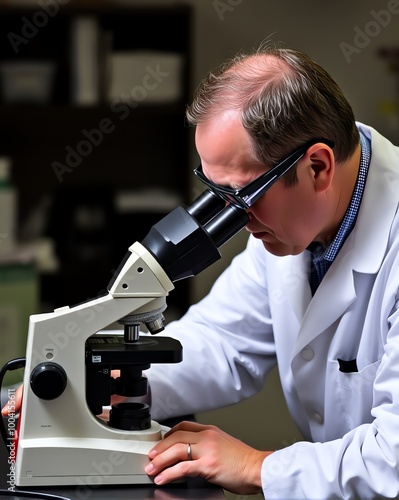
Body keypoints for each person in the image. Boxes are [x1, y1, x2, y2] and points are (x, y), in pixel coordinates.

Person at [4, 43, 399, 498]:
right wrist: (102, 381)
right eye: (215, 195)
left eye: (241, 197)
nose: (235, 220)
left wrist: (255, 466)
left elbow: (391, 458)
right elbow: (221, 340)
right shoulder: (291, 225)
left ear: (317, 166)